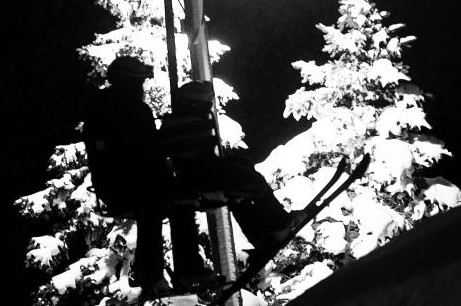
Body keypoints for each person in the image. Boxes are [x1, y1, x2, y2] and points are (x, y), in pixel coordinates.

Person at [83, 56, 219, 293]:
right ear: (130, 83)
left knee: (159, 206)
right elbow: (146, 150)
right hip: (129, 183)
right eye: (140, 83)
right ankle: (181, 270)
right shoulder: (129, 109)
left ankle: (157, 272)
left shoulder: (103, 106)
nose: (142, 88)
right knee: (174, 202)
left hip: (118, 183)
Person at [159, 80, 299, 264]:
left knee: (238, 196)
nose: (208, 107)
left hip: (194, 179)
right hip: (203, 179)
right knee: (252, 182)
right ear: (196, 103)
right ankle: (279, 224)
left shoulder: (174, 122)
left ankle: (260, 238)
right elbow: (200, 158)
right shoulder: (191, 123)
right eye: (206, 103)